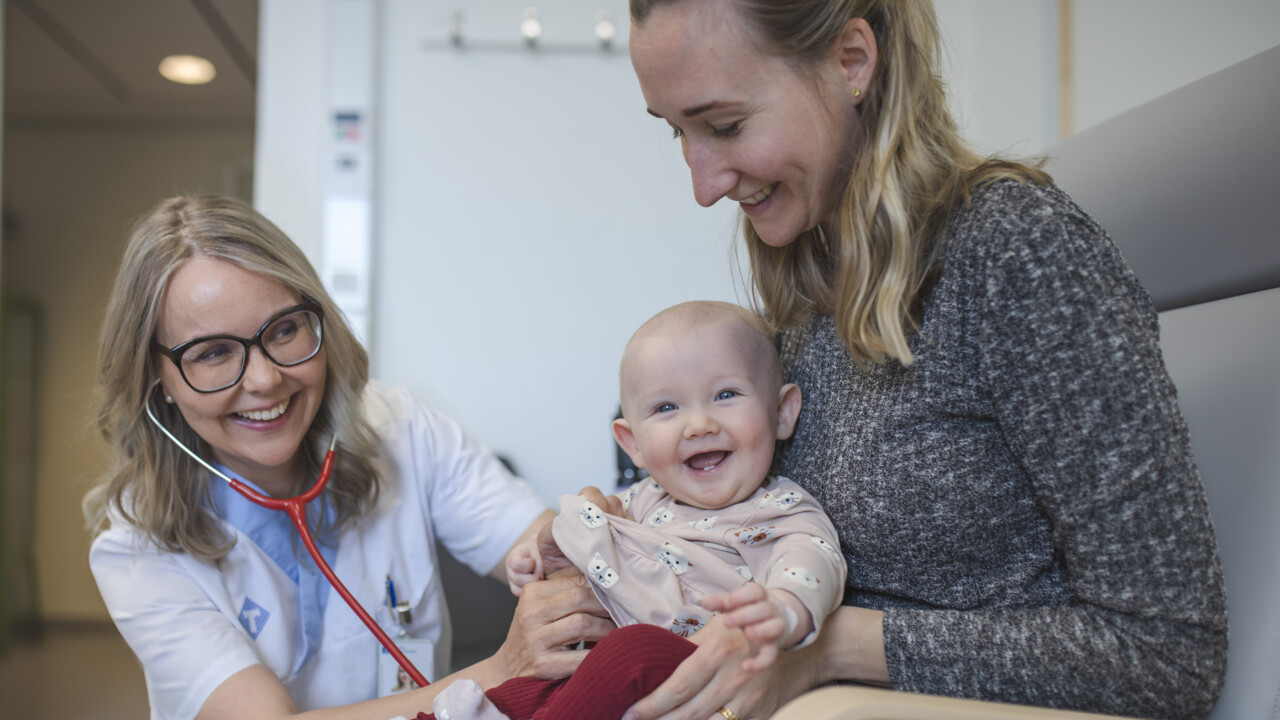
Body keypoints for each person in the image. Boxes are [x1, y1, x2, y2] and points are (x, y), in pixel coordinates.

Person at [621, 2, 1228, 720]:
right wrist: (600, 574)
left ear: (851, 62)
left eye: (725, 125)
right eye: (678, 132)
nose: (703, 186)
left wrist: (833, 647)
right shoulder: (810, 286)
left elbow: (1168, 655)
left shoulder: (1017, 253)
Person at [83, 195, 615, 720]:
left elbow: (549, 554)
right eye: (214, 353)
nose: (265, 379)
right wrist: (500, 670)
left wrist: (587, 547)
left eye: (284, 330)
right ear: (157, 378)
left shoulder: (401, 429)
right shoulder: (137, 553)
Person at [421, 301, 847, 720]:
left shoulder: (780, 510)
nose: (699, 425)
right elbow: (583, 541)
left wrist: (783, 611)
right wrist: (539, 554)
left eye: (726, 395)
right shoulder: (638, 501)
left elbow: (811, 563)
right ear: (633, 444)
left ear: (781, 412)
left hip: (694, 670)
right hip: (604, 678)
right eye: (666, 408)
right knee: (541, 679)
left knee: (629, 650)